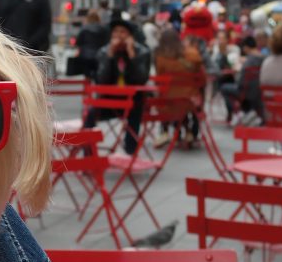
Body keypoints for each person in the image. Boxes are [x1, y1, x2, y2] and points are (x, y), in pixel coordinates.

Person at [81, 17, 151, 154]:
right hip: (108, 98)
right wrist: (109, 56)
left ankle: (130, 152)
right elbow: (101, 80)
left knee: (135, 112)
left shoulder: (142, 51)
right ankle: (88, 155)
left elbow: (141, 79)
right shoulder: (104, 52)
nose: (119, 36)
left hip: (132, 99)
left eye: (123, 32)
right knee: (90, 115)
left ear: (130, 36)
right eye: (115, 32)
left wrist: (132, 55)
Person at [154, 25, 206, 144]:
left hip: (168, 99)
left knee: (170, 98)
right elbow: (201, 78)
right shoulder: (192, 54)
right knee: (182, 101)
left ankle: (165, 131)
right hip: (191, 99)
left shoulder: (161, 57)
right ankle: (188, 132)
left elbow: (159, 79)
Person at [221, 34, 266, 124]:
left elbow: (241, 82)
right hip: (260, 92)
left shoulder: (248, 62)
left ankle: (239, 112)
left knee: (224, 87)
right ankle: (246, 111)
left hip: (245, 92)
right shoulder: (264, 58)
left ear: (245, 47)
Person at [70, 8, 108, 78]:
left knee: (87, 75)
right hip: (99, 55)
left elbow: (78, 42)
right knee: (98, 74)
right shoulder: (103, 28)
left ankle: (88, 85)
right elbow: (106, 42)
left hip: (85, 55)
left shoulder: (84, 28)